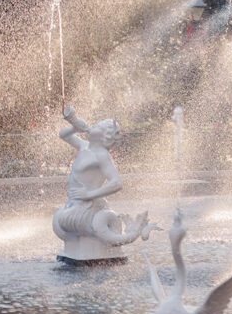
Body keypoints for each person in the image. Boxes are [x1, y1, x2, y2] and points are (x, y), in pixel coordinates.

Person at [53, 105, 156, 256]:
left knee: (66, 221)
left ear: (104, 135)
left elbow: (117, 183)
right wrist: (75, 127)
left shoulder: (102, 155)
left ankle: (123, 237)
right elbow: (63, 134)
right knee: (61, 219)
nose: (93, 125)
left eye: (98, 125)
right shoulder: (84, 146)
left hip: (89, 208)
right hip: (74, 206)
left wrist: (89, 194)